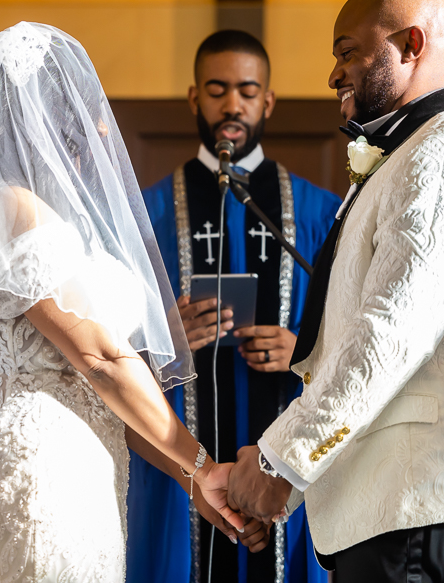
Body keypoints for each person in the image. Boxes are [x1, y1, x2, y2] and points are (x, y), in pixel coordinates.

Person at [0, 22, 247, 583]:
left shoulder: (59, 227)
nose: (102, 128)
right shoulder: (13, 210)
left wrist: (192, 477)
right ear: (44, 123)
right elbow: (100, 360)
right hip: (37, 473)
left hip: (81, 469)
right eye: (85, 112)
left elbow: (110, 391)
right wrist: (200, 461)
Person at [226, 0, 444, 581]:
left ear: (410, 44)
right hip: (389, 498)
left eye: (347, 52)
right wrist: (278, 471)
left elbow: (386, 337)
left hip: (416, 495)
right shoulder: (407, 155)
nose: (333, 73)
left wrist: (277, 462)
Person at [129, 31, 340, 583]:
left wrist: (306, 349)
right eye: (217, 90)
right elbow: (104, 346)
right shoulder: (145, 215)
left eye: (247, 91)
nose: (232, 104)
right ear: (194, 98)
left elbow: (360, 338)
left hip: (288, 463)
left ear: (267, 101)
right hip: (180, 469)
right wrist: (163, 334)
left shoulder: (322, 213)